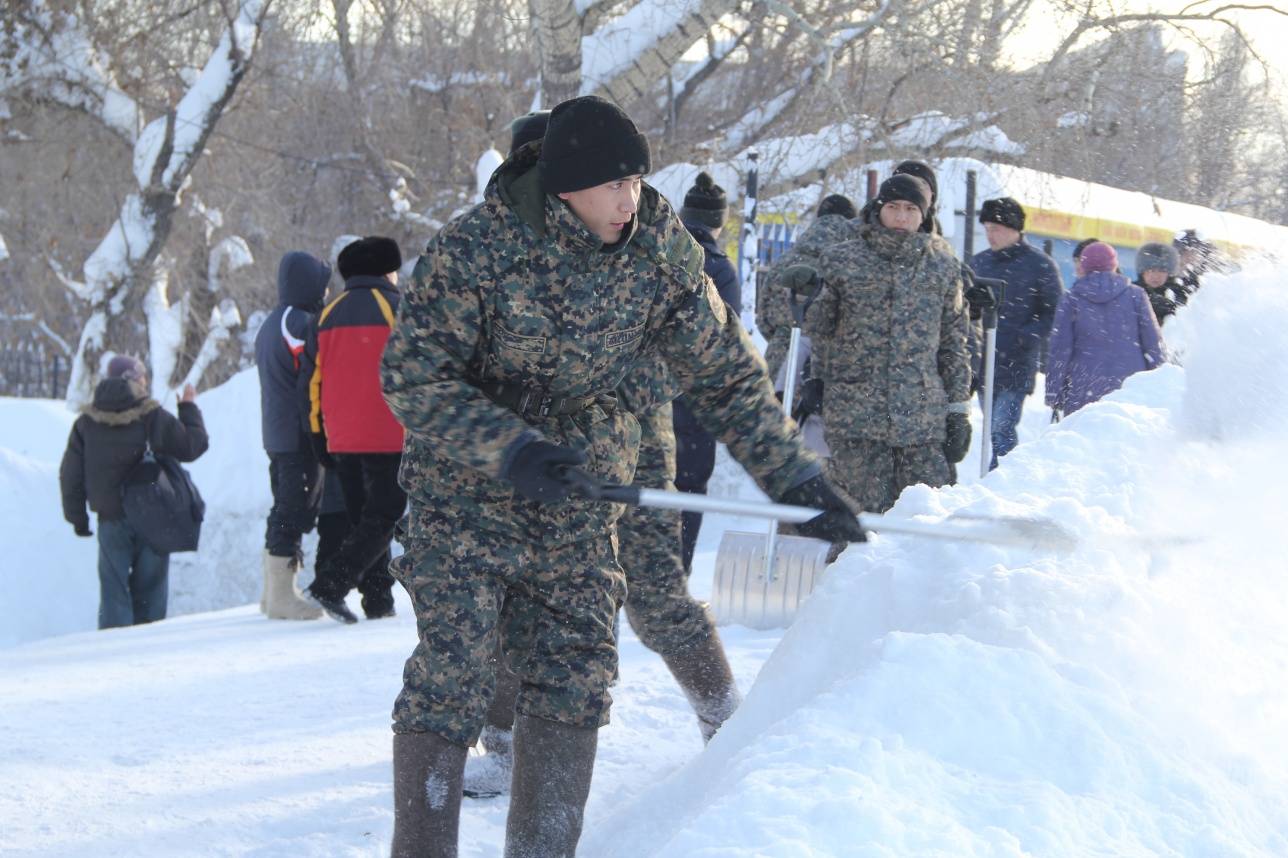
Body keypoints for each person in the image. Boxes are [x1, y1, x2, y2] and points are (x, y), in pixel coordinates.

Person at [379, 94, 863, 858]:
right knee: (457, 672)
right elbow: (412, 377)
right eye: (613, 186)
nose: (628, 201)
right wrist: (510, 448)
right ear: (565, 182)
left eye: (637, 182)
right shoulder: (476, 250)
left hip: (579, 491)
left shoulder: (657, 251)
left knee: (576, 674)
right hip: (466, 494)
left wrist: (794, 479)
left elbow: (725, 371)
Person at [786, 174, 971, 513]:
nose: (901, 217)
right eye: (893, 207)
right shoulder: (842, 259)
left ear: (924, 215)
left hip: (922, 422)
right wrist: (805, 297)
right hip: (856, 420)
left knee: (925, 524)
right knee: (857, 528)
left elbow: (954, 345)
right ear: (879, 209)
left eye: (911, 209)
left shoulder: (943, 267)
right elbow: (821, 329)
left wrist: (958, 410)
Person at [59, 355, 209, 629]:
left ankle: (112, 655)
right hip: (153, 516)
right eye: (143, 378)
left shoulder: (86, 423)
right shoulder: (152, 417)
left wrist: (78, 519)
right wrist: (188, 408)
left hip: (110, 518)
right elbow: (193, 446)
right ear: (136, 380)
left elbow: (71, 476)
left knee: (113, 593)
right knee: (150, 594)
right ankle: (145, 656)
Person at [301, 236, 405, 624]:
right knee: (385, 516)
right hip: (389, 433)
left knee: (366, 519)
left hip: (341, 435)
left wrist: (317, 435)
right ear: (385, 271)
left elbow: (312, 382)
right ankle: (331, 584)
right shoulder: (397, 309)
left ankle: (378, 600)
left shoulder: (327, 313)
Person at [254, 251, 331, 620]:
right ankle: (282, 596)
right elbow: (314, 375)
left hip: (278, 430)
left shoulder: (275, 320)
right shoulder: (297, 323)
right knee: (292, 506)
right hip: (297, 433)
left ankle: (274, 593)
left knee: (285, 504)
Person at [673, 170, 741, 571]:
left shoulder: (655, 250)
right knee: (689, 486)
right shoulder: (719, 268)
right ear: (720, 220)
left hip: (645, 394)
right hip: (695, 397)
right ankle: (677, 573)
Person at [969, 196, 1063, 469]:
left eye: (995, 228)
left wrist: (1027, 336)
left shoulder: (1039, 265)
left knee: (1002, 427)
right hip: (985, 362)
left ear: (1014, 229)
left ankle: (1002, 477)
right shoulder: (979, 263)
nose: (990, 235)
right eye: (986, 228)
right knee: (992, 427)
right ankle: (1000, 474)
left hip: (1016, 363)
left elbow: (1054, 310)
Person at [1045, 241, 1164, 416]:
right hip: (1130, 387)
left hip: (1083, 387)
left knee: (1082, 438)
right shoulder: (1136, 295)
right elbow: (1153, 342)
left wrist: (1053, 393)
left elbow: (1060, 348)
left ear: (1084, 266)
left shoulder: (1071, 299)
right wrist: (1160, 381)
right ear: (1114, 265)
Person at [756, 193, 857, 382]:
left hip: (777, 358)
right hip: (817, 367)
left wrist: (783, 336)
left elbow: (763, 318)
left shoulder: (785, 260)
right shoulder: (846, 265)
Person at [1134, 242, 1187, 326]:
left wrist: (1171, 308)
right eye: (1151, 270)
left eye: (1162, 270)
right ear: (1142, 271)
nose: (1156, 275)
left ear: (1169, 273)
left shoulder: (1179, 293)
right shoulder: (1132, 291)